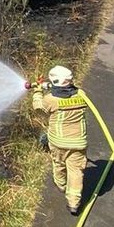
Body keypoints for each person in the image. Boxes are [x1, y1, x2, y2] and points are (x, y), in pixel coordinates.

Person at [31, 66, 88, 215]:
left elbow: (38, 109)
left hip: (58, 142)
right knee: (76, 171)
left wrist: (37, 91)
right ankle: (74, 203)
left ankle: (61, 185)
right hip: (78, 142)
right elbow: (70, 91)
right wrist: (51, 86)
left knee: (58, 164)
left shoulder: (50, 100)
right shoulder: (82, 95)